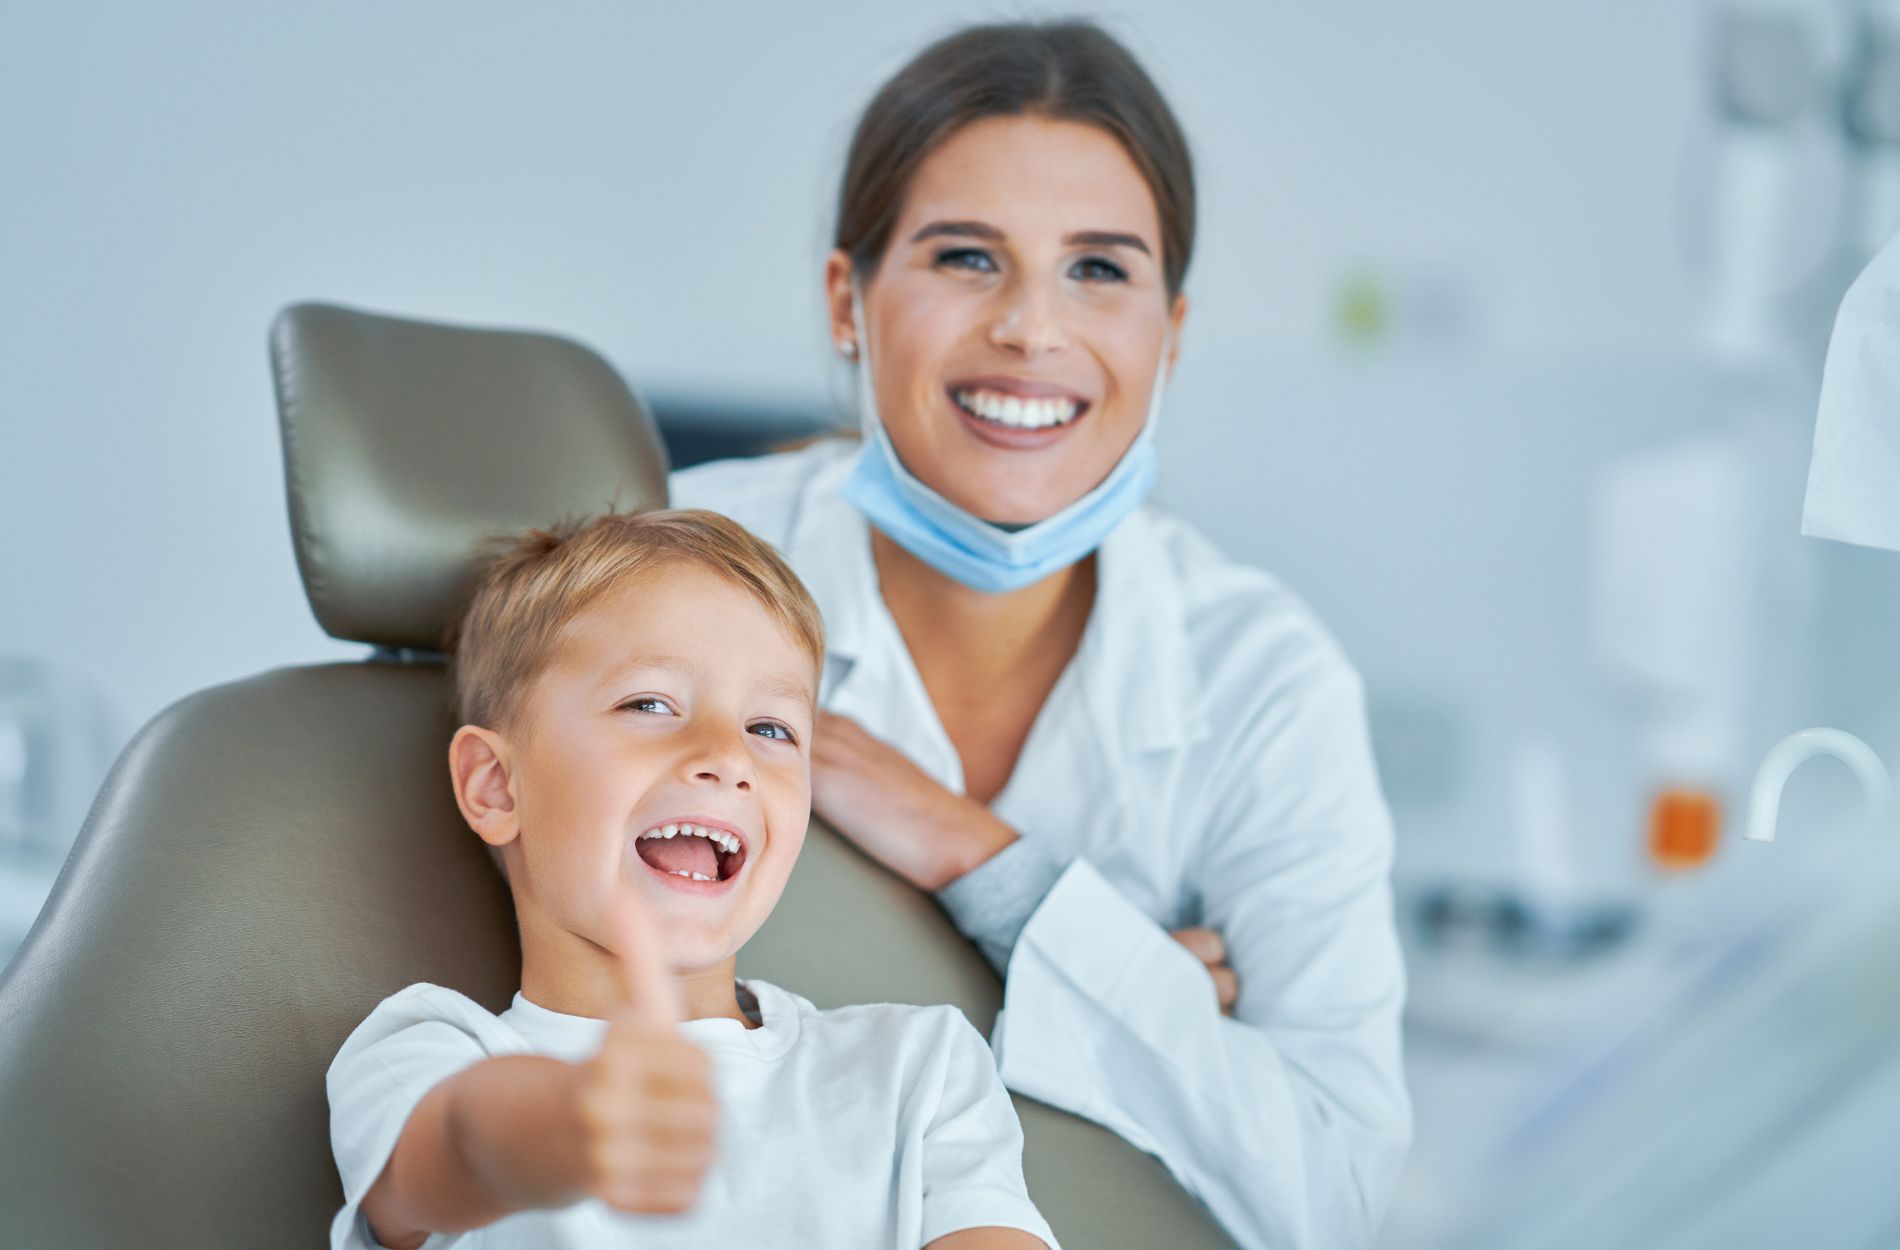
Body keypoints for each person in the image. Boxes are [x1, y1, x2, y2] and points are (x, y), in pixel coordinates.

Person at [668, 19, 1410, 1250]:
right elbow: (563, 979)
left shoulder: (1264, 677)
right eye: (966, 256)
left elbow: (1332, 1185)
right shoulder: (680, 573)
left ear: (1168, 334)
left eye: (1099, 270)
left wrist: (986, 867)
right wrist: (1138, 995)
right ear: (848, 300)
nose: (1031, 327)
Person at [324, 509, 1057, 1250]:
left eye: (770, 728)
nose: (727, 756)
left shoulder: (915, 1066)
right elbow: (451, 1151)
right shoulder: (431, 1052)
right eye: (650, 704)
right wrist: (567, 1122)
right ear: (496, 787)